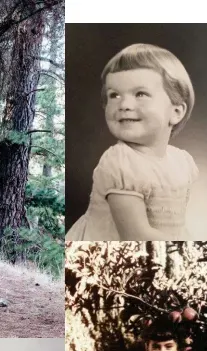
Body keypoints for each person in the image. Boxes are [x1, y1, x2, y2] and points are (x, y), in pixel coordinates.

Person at [66, 43, 198, 241]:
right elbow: (137, 236)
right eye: (114, 95)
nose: (125, 105)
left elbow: (177, 229)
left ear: (176, 112)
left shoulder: (182, 162)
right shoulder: (120, 162)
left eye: (140, 94)